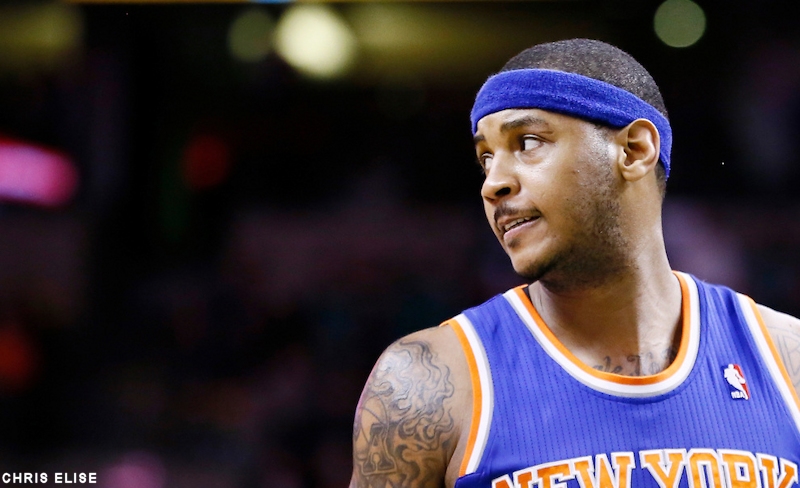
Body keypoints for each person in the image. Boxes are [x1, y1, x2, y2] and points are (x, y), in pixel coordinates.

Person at [349, 38, 800, 488]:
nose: (493, 184)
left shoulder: (787, 357)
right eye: (486, 159)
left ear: (634, 150)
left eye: (527, 142)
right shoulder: (426, 382)